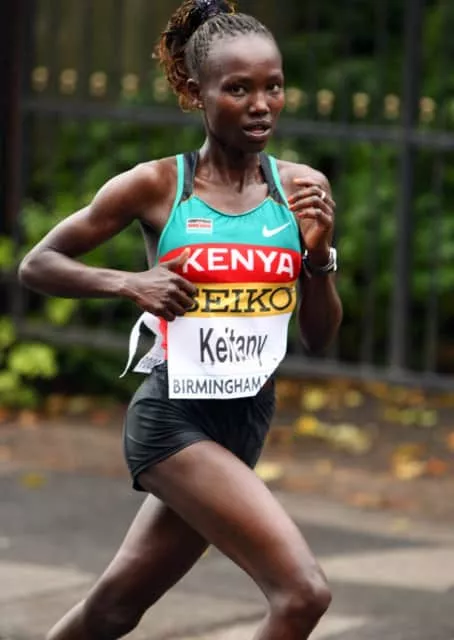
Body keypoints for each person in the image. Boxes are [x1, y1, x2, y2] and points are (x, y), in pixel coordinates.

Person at [18, 0, 342, 638]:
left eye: (273, 87)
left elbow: (319, 336)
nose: (261, 105)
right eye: (238, 89)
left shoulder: (301, 189)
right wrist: (128, 282)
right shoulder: (157, 186)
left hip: (244, 424)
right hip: (172, 420)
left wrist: (318, 257)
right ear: (196, 94)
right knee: (302, 594)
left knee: (115, 607)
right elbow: (38, 264)